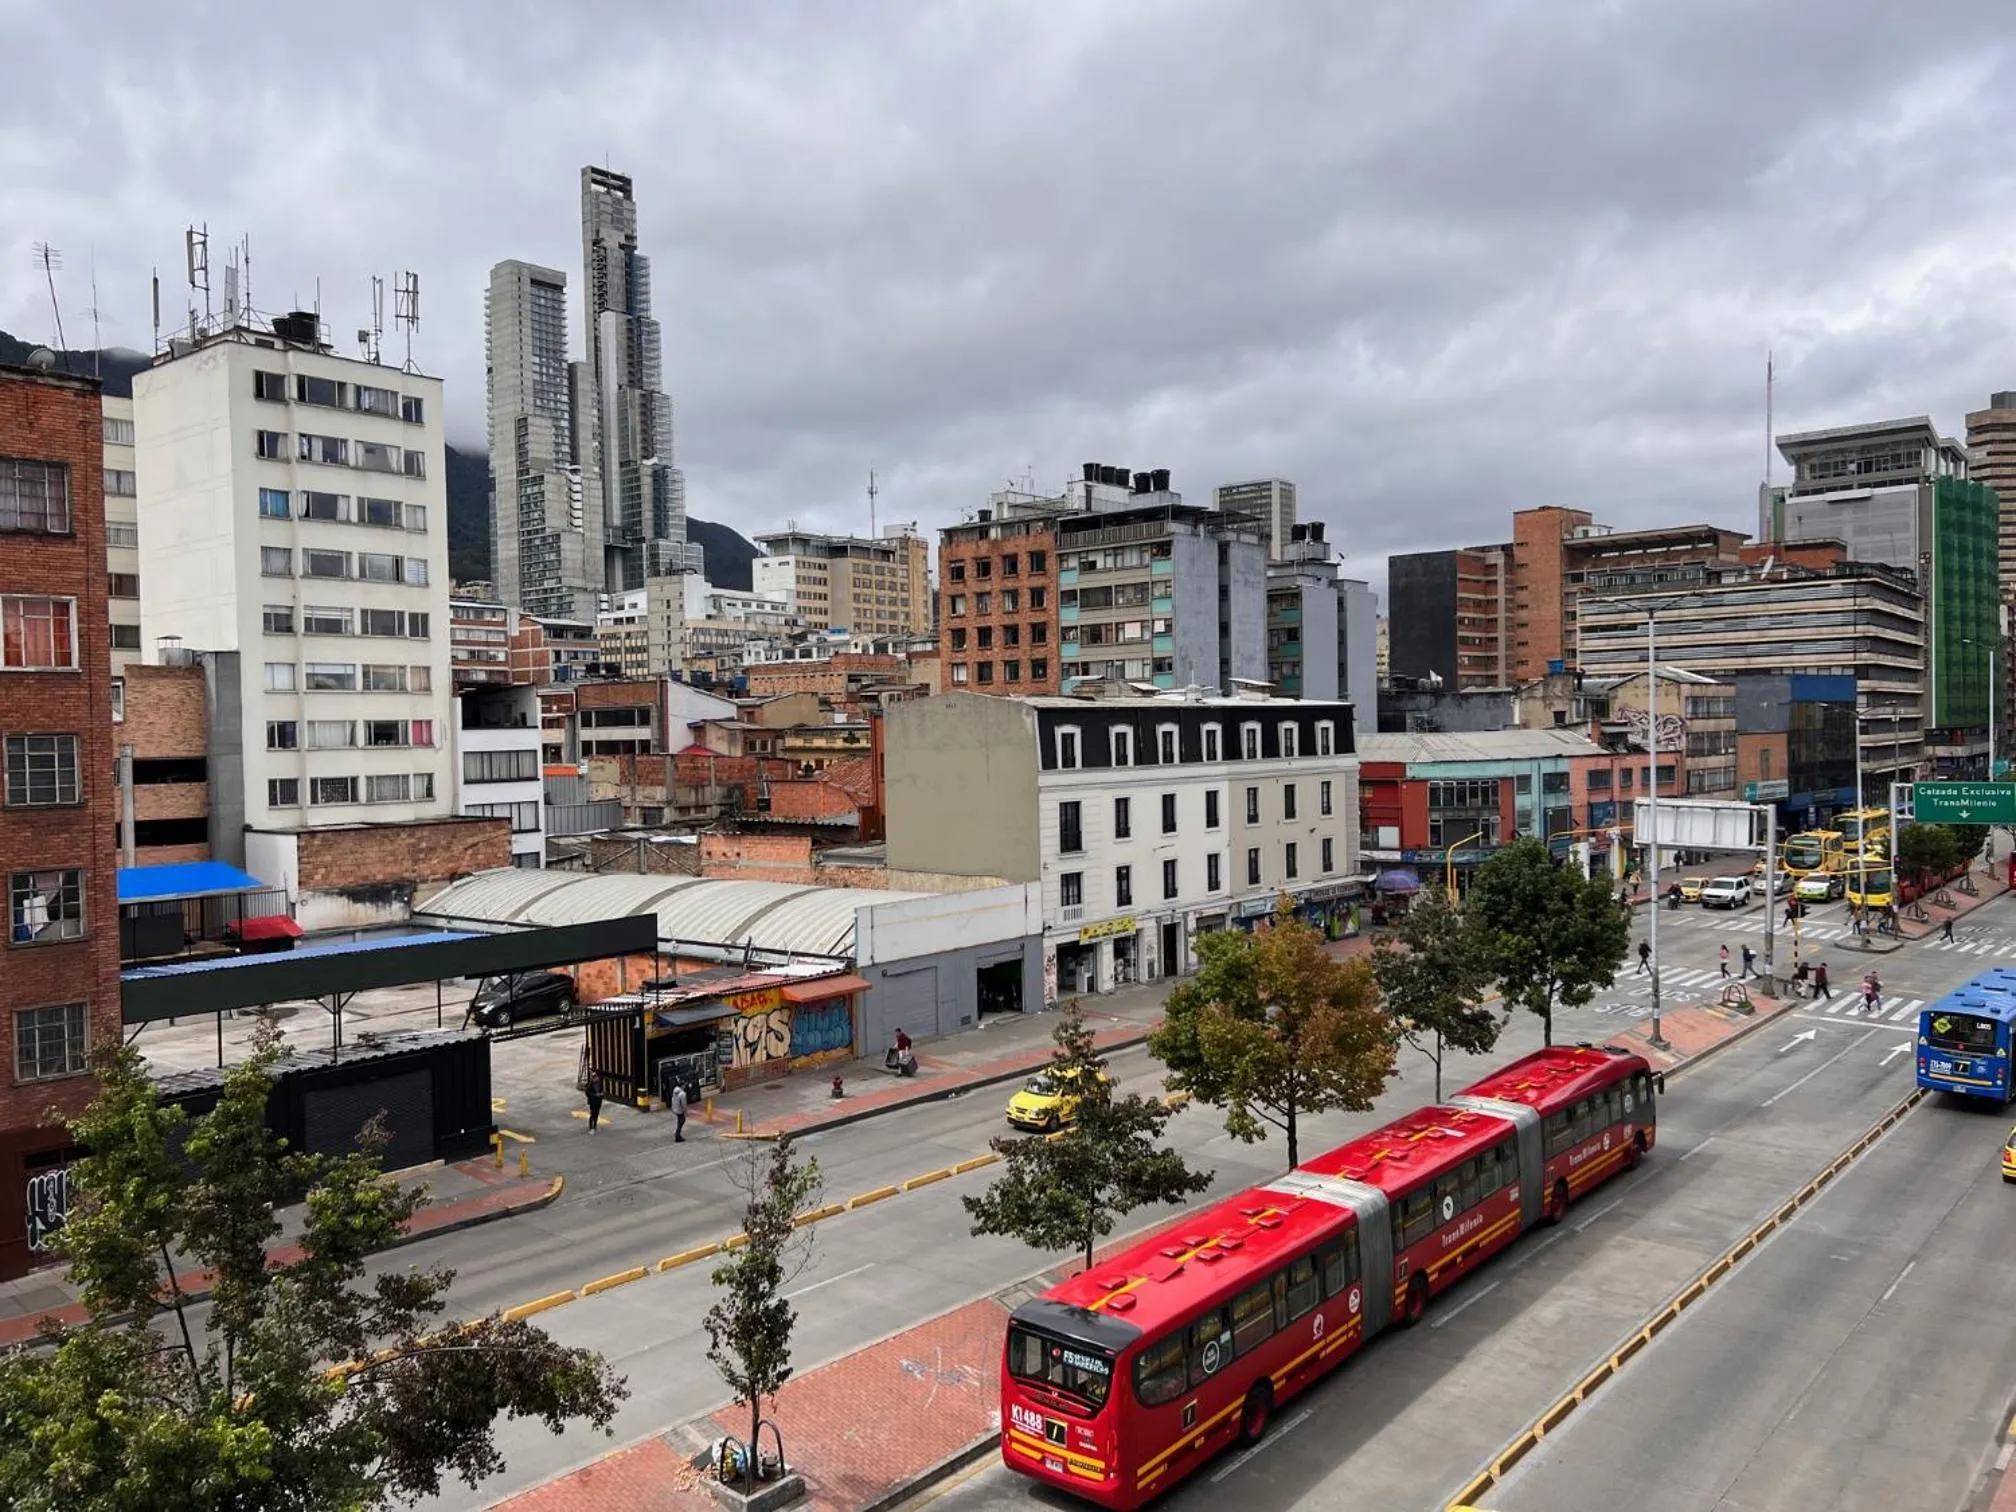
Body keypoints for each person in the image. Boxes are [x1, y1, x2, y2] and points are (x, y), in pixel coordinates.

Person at [584, 1067, 604, 1134]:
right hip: (593, 1102)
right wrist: (595, 1095)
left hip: (598, 1101)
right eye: (594, 1078)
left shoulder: (600, 1083)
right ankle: (590, 1127)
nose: (596, 1079)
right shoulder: (590, 1085)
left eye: (596, 1077)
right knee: (592, 1114)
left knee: (597, 1114)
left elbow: (602, 1090)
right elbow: (587, 1093)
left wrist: (601, 1094)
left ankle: (595, 1125)